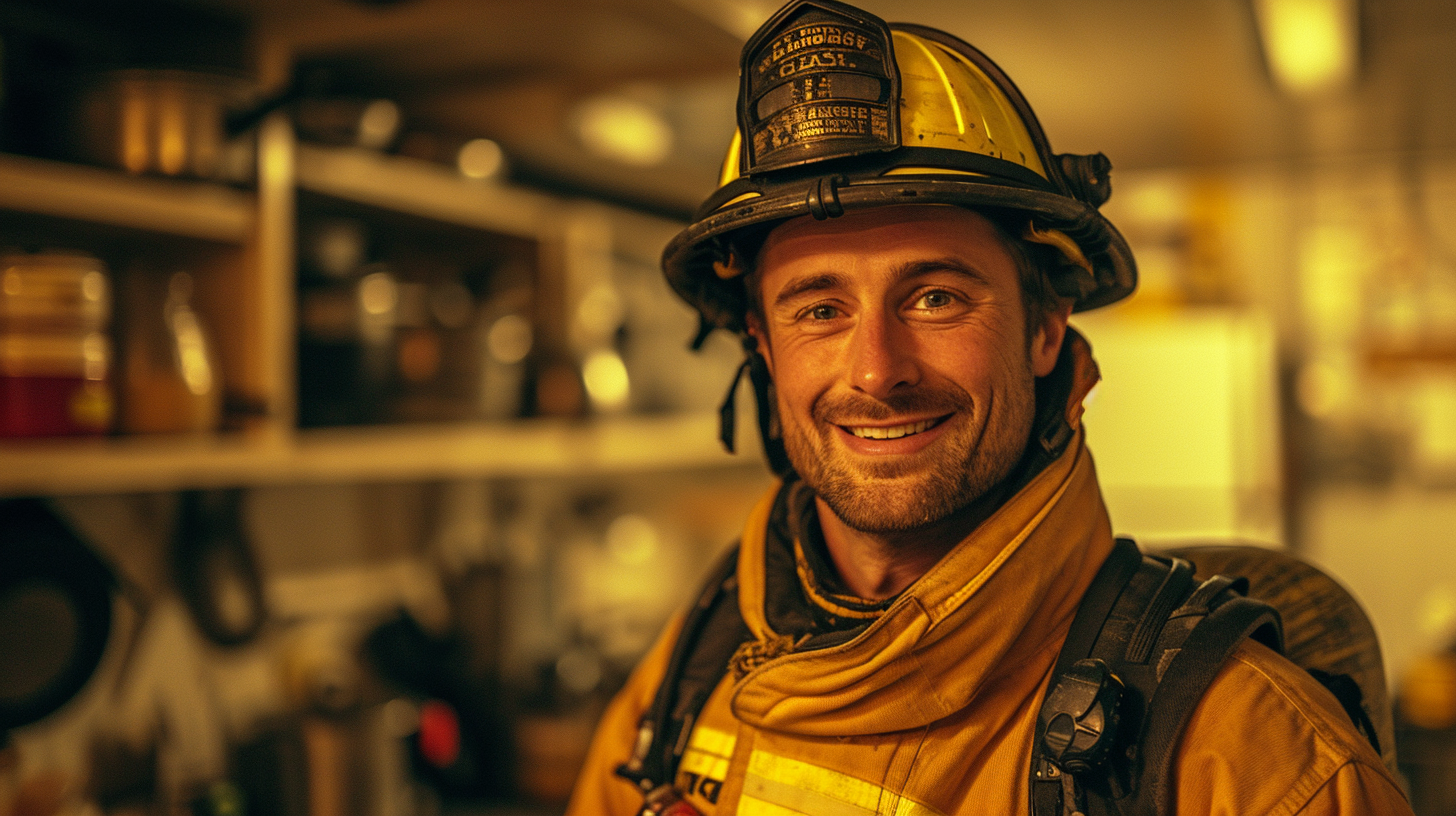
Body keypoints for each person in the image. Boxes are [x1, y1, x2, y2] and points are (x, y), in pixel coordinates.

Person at [566, 1, 1413, 814]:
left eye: (934, 297)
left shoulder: (1258, 761)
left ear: (1046, 327)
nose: (875, 372)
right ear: (762, 345)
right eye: (819, 310)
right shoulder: (695, 665)